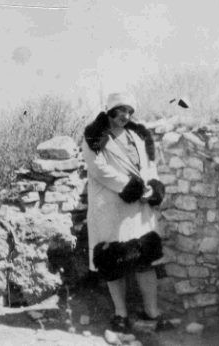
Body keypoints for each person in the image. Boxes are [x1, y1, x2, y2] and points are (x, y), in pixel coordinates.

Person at [82, 91, 172, 333]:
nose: (126, 115)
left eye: (130, 111)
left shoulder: (138, 135)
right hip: (111, 206)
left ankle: (151, 311)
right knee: (114, 261)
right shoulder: (94, 137)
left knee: (145, 260)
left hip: (139, 207)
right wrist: (130, 187)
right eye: (121, 110)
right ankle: (120, 313)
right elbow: (99, 169)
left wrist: (151, 187)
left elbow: (149, 165)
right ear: (109, 110)